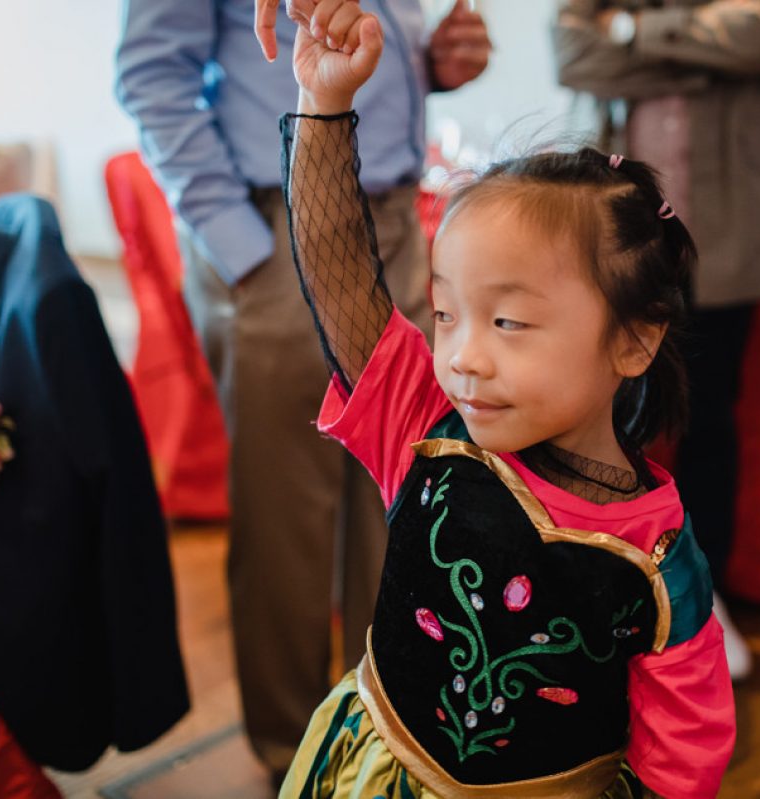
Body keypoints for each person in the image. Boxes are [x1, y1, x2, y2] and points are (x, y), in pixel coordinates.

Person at [274, 4, 735, 796]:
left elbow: (681, 763)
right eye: (445, 314)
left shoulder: (658, 561)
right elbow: (338, 266)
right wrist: (325, 100)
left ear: (634, 340)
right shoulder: (426, 426)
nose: (462, 357)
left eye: (508, 322)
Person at [114, 0, 489, 782]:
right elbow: (151, 75)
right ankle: (296, 758)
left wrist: (430, 67)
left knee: (403, 499)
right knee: (285, 517)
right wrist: (241, 246)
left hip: (394, 218)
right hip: (273, 223)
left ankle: (385, 736)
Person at [552, 0, 760, 681]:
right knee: (598, 415)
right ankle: (602, 588)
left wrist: (631, 34)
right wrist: (704, 58)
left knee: (708, 419)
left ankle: (703, 596)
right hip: (620, 233)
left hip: (731, 238)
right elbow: (573, 53)